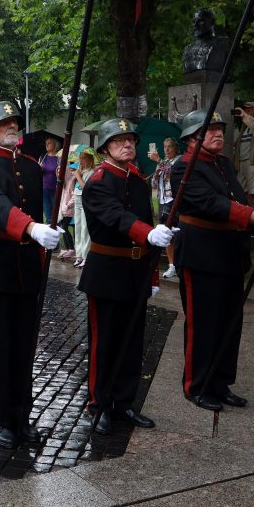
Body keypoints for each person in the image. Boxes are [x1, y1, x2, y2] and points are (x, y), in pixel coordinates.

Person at [170, 109, 254, 411]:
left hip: (228, 252)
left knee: (228, 324)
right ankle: (196, 386)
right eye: (209, 130)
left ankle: (220, 383)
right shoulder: (184, 167)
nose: (218, 134)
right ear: (191, 138)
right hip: (201, 253)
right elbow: (211, 203)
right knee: (204, 324)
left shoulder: (222, 163)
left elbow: (234, 198)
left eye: (220, 129)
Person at [0, 101, 61, 450]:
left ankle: (22, 415)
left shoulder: (32, 166)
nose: (12, 126)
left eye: (14, 121)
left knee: (24, 345)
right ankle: (0, 417)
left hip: (27, 265)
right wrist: (31, 227)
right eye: (4, 123)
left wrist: (45, 229)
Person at [78, 119, 172, 435]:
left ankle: (124, 401)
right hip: (107, 271)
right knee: (104, 343)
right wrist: (148, 233)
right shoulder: (99, 181)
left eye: (130, 139)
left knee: (133, 342)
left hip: (136, 272)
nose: (127, 144)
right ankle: (99, 404)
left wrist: (153, 277)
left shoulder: (138, 179)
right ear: (105, 147)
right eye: (119, 140)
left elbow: (146, 219)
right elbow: (118, 218)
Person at [148, 138, 182, 279]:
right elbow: (154, 184)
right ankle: (172, 266)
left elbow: (174, 173)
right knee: (166, 234)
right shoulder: (163, 163)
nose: (167, 150)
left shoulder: (179, 160)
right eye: (164, 147)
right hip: (163, 200)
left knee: (179, 234)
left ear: (176, 148)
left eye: (170, 147)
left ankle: (181, 265)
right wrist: (156, 176)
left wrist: (159, 161)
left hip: (174, 201)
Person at [72, 148, 96, 268]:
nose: (80, 161)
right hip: (77, 202)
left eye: (83, 158)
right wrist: (75, 176)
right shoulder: (81, 171)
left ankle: (86, 256)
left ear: (90, 160)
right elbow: (74, 188)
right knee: (78, 228)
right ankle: (79, 255)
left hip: (85, 203)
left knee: (85, 229)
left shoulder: (91, 172)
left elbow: (86, 188)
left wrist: (78, 177)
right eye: (79, 158)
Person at [57, 160, 76, 259]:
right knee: (62, 227)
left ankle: (71, 249)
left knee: (64, 227)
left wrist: (68, 205)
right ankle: (67, 248)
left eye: (61, 171)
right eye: (58, 171)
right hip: (62, 209)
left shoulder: (71, 181)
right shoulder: (61, 183)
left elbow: (74, 196)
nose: (59, 173)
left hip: (69, 209)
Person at [39, 137, 60, 223]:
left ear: (55, 145)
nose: (47, 145)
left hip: (56, 190)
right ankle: (49, 235)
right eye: (46, 143)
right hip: (44, 189)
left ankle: (57, 234)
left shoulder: (60, 158)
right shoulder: (43, 157)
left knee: (57, 215)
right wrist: (38, 169)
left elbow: (65, 174)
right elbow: (36, 173)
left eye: (49, 143)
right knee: (48, 216)